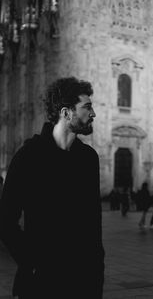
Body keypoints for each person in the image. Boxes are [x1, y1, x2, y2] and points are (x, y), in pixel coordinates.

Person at [0, 77, 105, 299]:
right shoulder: (29, 156)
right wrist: (32, 261)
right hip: (41, 283)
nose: (93, 113)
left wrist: (97, 272)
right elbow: (6, 220)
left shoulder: (88, 159)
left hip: (84, 282)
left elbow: (93, 224)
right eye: (87, 107)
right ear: (66, 113)